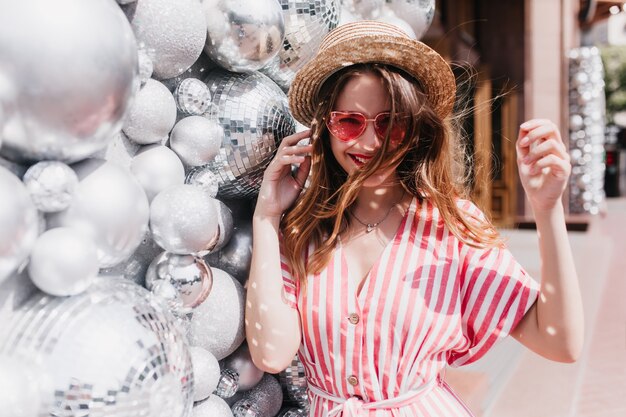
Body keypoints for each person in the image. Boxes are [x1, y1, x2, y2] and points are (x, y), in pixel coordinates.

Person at [245, 21, 584, 416]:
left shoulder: (450, 226)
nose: (371, 143)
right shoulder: (303, 229)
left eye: (392, 122)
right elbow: (271, 353)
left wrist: (547, 209)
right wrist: (266, 217)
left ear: (417, 129)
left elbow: (560, 342)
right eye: (349, 122)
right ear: (326, 128)